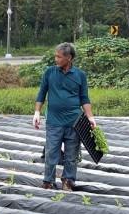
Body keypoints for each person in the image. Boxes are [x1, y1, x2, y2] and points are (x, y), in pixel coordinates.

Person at [33, 42, 95, 191]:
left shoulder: (80, 75)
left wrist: (91, 117)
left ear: (69, 58)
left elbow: (84, 98)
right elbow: (42, 93)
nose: (56, 59)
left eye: (59, 57)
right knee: (51, 152)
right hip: (54, 121)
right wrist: (37, 112)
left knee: (71, 154)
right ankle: (48, 181)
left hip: (74, 122)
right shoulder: (50, 73)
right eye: (56, 56)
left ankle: (68, 181)